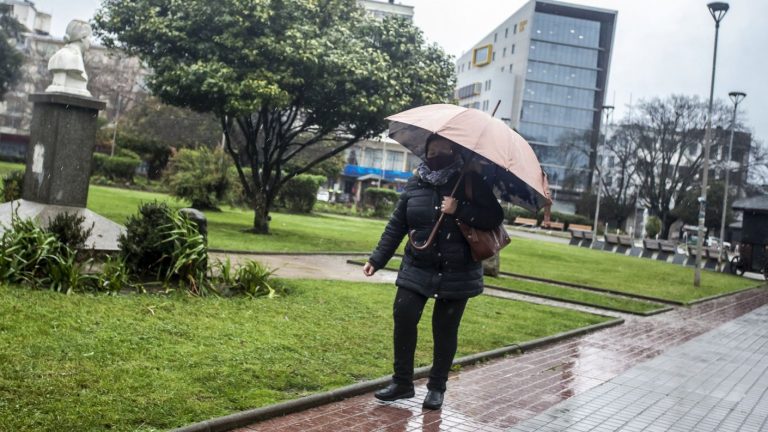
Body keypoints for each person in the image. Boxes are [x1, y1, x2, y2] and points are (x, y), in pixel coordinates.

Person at [363, 134, 504, 410]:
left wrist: (459, 208)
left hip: (457, 270)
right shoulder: (417, 181)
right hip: (418, 263)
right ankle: (402, 382)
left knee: (445, 329)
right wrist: (377, 259)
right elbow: (397, 223)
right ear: (424, 151)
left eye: (444, 149)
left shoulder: (470, 181)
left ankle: (436, 387)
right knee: (403, 315)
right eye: (432, 149)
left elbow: (494, 218)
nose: (436, 153)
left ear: (456, 152)